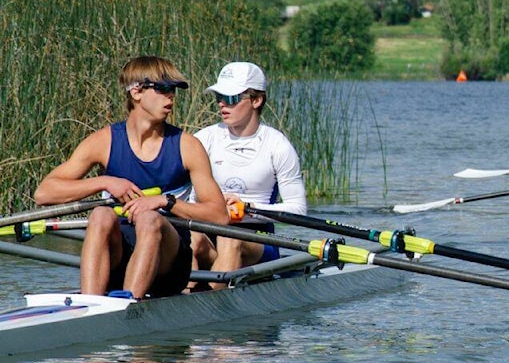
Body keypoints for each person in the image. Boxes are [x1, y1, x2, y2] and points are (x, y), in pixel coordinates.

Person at [34, 56, 229, 299]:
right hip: (120, 250)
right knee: (101, 214)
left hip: (168, 259)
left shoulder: (187, 146)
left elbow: (219, 215)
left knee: (149, 219)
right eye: (163, 88)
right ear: (136, 92)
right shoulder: (104, 141)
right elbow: (44, 193)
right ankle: (91, 304)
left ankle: (129, 305)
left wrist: (166, 202)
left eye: (174, 90)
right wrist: (105, 182)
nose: (171, 96)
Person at [187, 61, 307, 287]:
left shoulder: (277, 146)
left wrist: (246, 209)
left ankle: (214, 308)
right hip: (208, 229)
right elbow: (191, 198)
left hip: (257, 239)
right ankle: (183, 299)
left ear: (256, 100)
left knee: (230, 239)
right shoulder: (204, 139)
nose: (222, 104)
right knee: (190, 240)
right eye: (219, 97)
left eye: (231, 98)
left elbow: (298, 209)